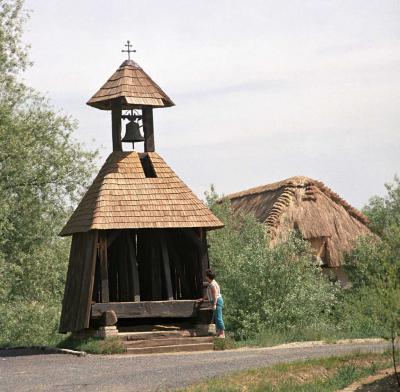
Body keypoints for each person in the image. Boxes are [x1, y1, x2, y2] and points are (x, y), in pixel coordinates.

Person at [199, 269, 225, 338]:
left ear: (208, 277)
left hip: (217, 301)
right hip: (215, 301)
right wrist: (203, 299)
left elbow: (215, 296)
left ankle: (222, 333)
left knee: (219, 318)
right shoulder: (211, 283)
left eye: (206, 276)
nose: (205, 277)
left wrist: (214, 304)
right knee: (216, 318)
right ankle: (219, 333)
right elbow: (208, 294)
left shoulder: (213, 285)